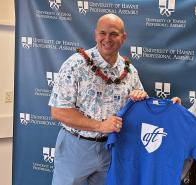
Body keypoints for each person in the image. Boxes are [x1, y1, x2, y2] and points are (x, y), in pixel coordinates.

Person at [48, 13, 147, 185]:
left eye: (114, 34)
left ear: (123, 38)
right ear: (95, 34)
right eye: (103, 33)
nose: (107, 39)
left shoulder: (130, 71)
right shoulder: (75, 64)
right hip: (76, 147)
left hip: (113, 148)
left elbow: (140, 109)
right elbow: (58, 111)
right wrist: (100, 126)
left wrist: (143, 98)